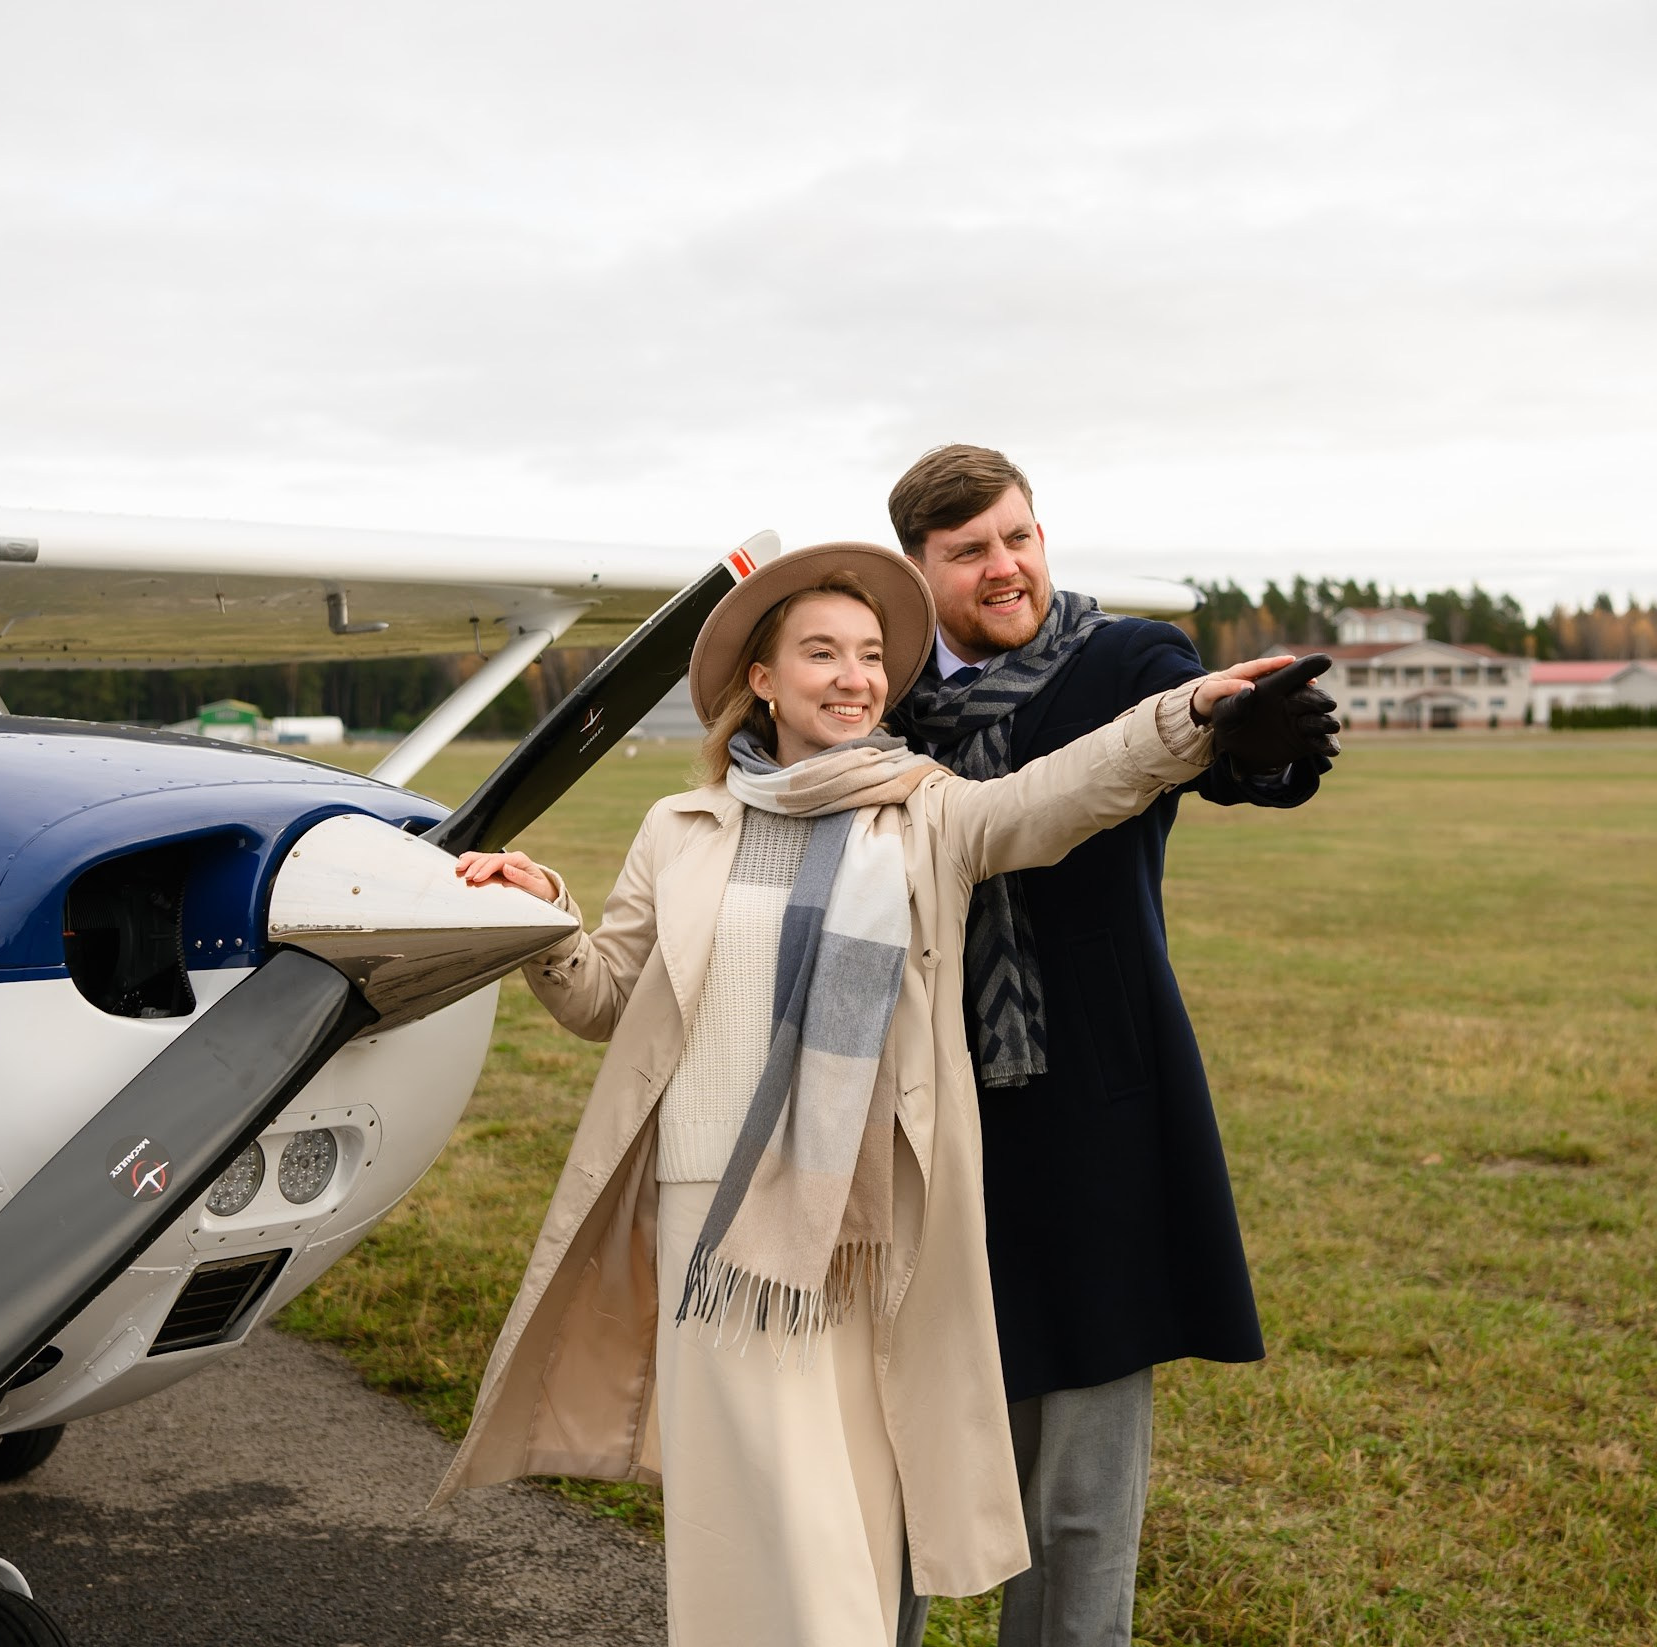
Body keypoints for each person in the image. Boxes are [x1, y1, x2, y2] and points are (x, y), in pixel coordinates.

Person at [430, 539, 1304, 1646]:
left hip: (855, 1234)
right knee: (740, 1532)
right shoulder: (681, 829)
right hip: (706, 1227)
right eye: (820, 654)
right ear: (760, 676)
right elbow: (609, 998)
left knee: (845, 1529)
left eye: (869, 656)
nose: (852, 677)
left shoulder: (927, 814)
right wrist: (542, 915)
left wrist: (1185, 716)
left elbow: (1063, 794)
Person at [883, 444, 1339, 1647]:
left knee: (1081, 1489)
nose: (1004, 567)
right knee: (885, 1464)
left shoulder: (1128, 662)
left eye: (1019, 537)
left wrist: (1263, 746)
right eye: (969, 551)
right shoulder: (873, 697)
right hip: (921, 1104)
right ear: (916, 568)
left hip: (1092, 1097)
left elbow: (1231, 753)